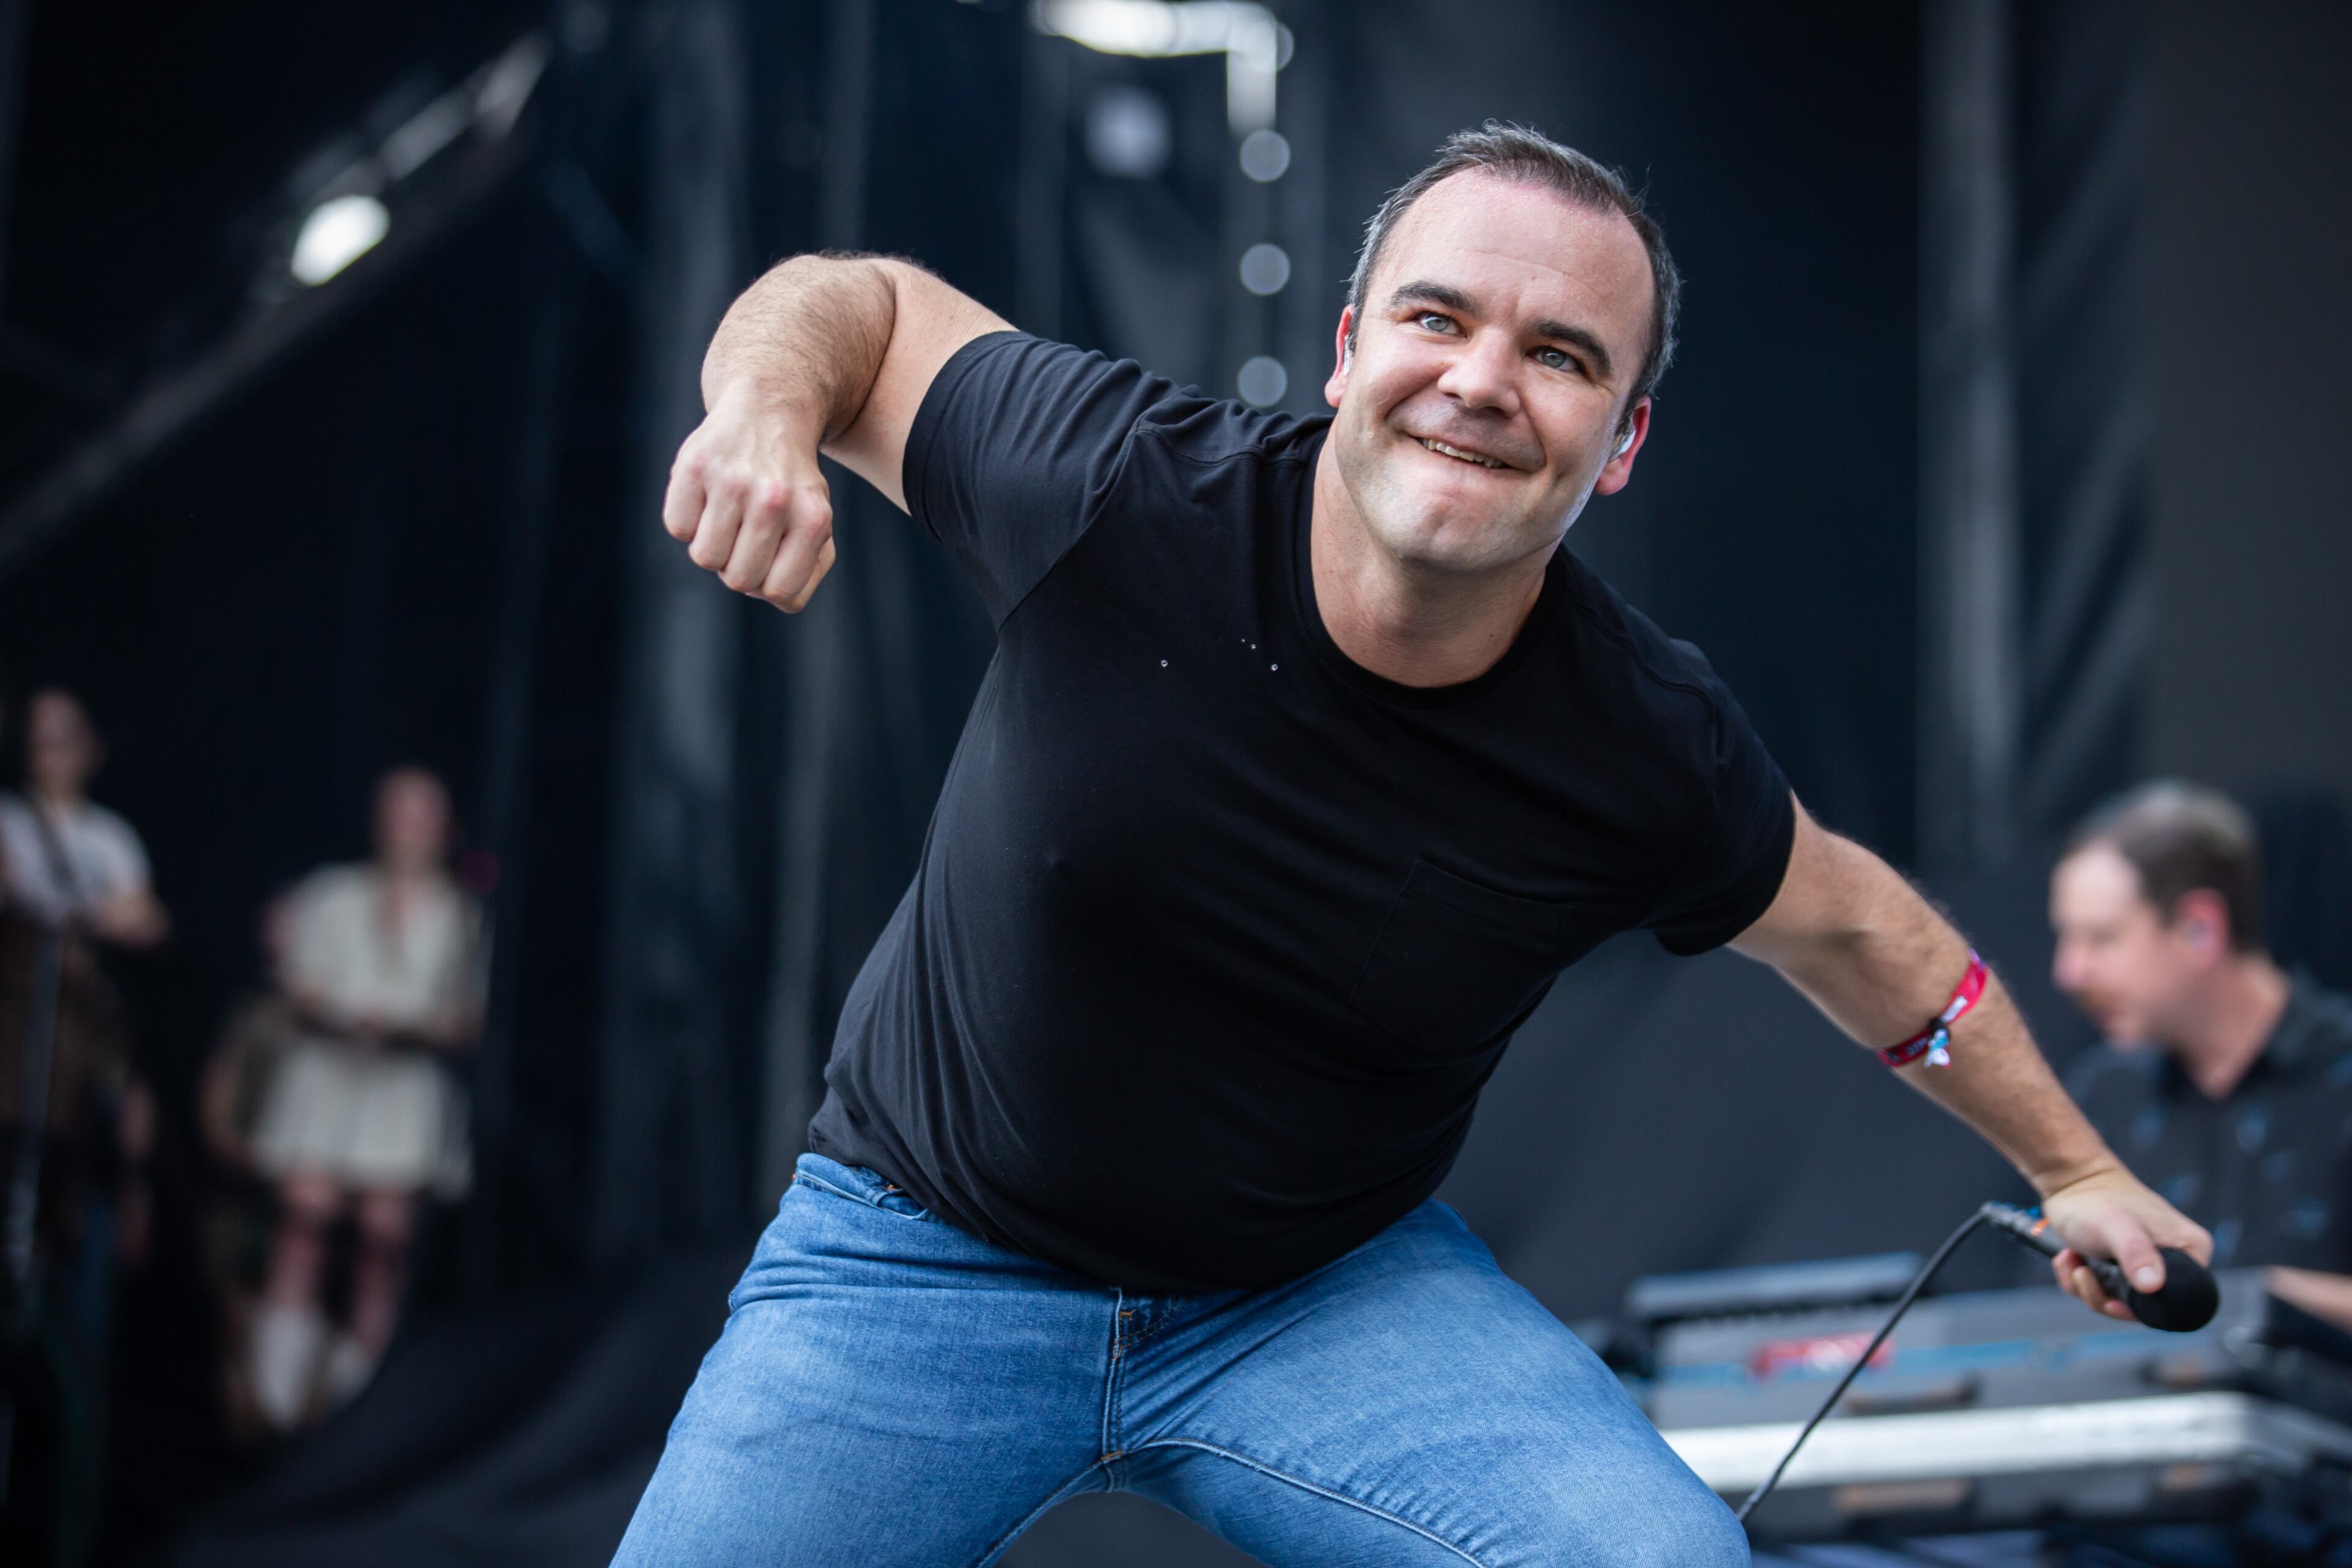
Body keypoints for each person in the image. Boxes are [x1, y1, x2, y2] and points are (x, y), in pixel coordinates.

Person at [622, 126, 2206, 1566]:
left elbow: (1860, 931)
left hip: (1319, 1297)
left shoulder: (1642, 741)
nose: (1481, 379)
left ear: (1625, 441)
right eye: (1438, 319)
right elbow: (864, 305)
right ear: (1350, 347)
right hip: (924, 1259)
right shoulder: (1118, 489)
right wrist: (763, 410)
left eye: (1561, 354)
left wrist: (2074, 1167)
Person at [2052, 780, 2352, 1332]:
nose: (2070, 972)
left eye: (2101, 939)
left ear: (2200, 928)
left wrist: (2256, 1298)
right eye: (2068, 940)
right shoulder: (2106, 1091)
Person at [241, 767, 481, 1430]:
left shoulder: (460, 914)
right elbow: (295, 985)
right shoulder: (333, 894)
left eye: (424, 817)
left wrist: (408, 1026)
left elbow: (467, 1015)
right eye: (401, 815)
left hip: (400, 1091)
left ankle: (354, 1407)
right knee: (304, 1227)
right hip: (327, 1081)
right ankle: (274, 1400)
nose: (411, 831)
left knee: (382, 1243)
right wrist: (342, 1015)